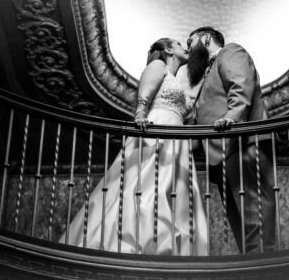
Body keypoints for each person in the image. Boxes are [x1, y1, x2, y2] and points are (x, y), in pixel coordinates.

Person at [61, 37, 209, 255]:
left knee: (173, 188)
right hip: (158, 125)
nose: (185, 48)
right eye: (179, 44)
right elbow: (145, 95)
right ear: (168, 49)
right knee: (146, 183)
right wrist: (140, 115)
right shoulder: (158, 66)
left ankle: (169, 245)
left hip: (177, 137)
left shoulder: (178, 80)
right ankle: (139, 240)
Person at [184, 26, 277, 253]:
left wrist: (231, 117)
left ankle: (264, 266)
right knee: (240, 221)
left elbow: (241, 84)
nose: (188, 51)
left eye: (190, 42)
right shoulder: (207, 73)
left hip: (242, 143)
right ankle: (251, 264)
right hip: (222, 154)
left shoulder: (230, 52)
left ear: (206, 38)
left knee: (255, 212)